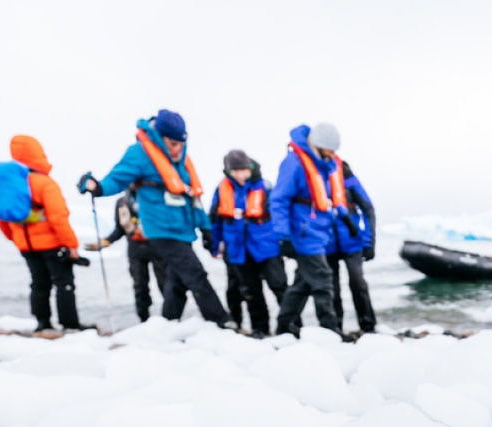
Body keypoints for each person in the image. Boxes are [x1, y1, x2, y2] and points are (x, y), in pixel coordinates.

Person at [78, 109, 233, 328]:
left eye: (181, 143)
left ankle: (167, 326)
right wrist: (98, 187)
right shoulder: (140, 153)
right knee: (195, 274)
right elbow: (117, 179)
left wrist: (206, 230)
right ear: (160, 136)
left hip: (184, 229)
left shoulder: (181, 157)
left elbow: (194, 197)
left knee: (176, 282)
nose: (177, 148)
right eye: (172, 143)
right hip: (161, 229)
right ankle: (222, 322)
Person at [0, 135, 93, 333]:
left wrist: (16, 239)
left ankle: (42, 324)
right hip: (52, 245)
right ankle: (70, 325)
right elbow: (58, 217)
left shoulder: (10, 185)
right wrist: (71, 245)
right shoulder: (45, 183)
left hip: (26, 246)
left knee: (39, 284)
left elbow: (1, 216)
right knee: (64, 283)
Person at [269, 122, 346, 337]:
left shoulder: (324, 165)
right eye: (329, 150)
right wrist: (283, 236)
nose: (332, 155)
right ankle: (331, 332)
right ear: (317, 145)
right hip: (304, 233)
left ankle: (284, 327)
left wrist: (343, 220)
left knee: (302, 284)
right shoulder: (294, 163)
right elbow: (278, 200)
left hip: (318, 232)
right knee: (323, 280)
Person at [209, 150, 288, 337]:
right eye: (235, 171)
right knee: (251, 292)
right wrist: (214, 244)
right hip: (238, 249)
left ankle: (291, 326)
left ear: (249, 167)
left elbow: (280, 215)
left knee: (280, 286)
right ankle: (260, 329)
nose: (239, 175)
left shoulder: (265, 186)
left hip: (267, 246)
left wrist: (284, 242)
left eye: (242, 170)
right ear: (228, 171)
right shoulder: (222, 190)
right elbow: (214, 219)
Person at [86, 187, 167, 322]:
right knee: (140, 286)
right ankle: (144, 319)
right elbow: (120, 228)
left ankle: (171, 317)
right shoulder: (122, 203)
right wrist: (107, 241)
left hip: (158, 248)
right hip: (136, 251)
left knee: (166, 284)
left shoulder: (156, 198)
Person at [327, 160, 377, 334]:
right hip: (327, 244)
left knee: (357, 282)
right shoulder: (313, 176)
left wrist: (369, 242)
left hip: (352, 241)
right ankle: (336, 328)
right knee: (331, 286)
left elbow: (368, 209)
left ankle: (368, 326)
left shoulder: (348, 177)